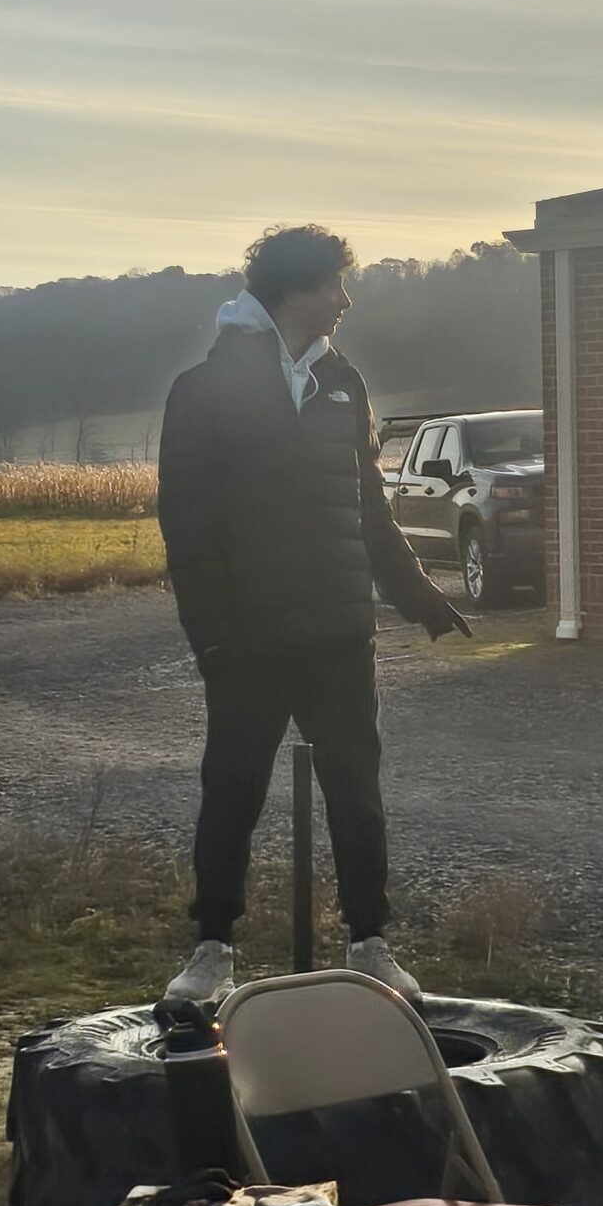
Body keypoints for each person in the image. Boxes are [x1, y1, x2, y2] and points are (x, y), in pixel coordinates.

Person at [157, 224, 470, 1007]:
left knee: (356, 794)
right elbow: (188, 529)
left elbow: (369, 509)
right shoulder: (203, 390)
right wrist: (212, 639)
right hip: (248, 641)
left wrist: (419, 596)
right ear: (294, 289)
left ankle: (370, 946)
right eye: (334, 284)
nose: (345, 300)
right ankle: (212, 953)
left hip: (339, 633)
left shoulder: (343, 383)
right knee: (232, 793)